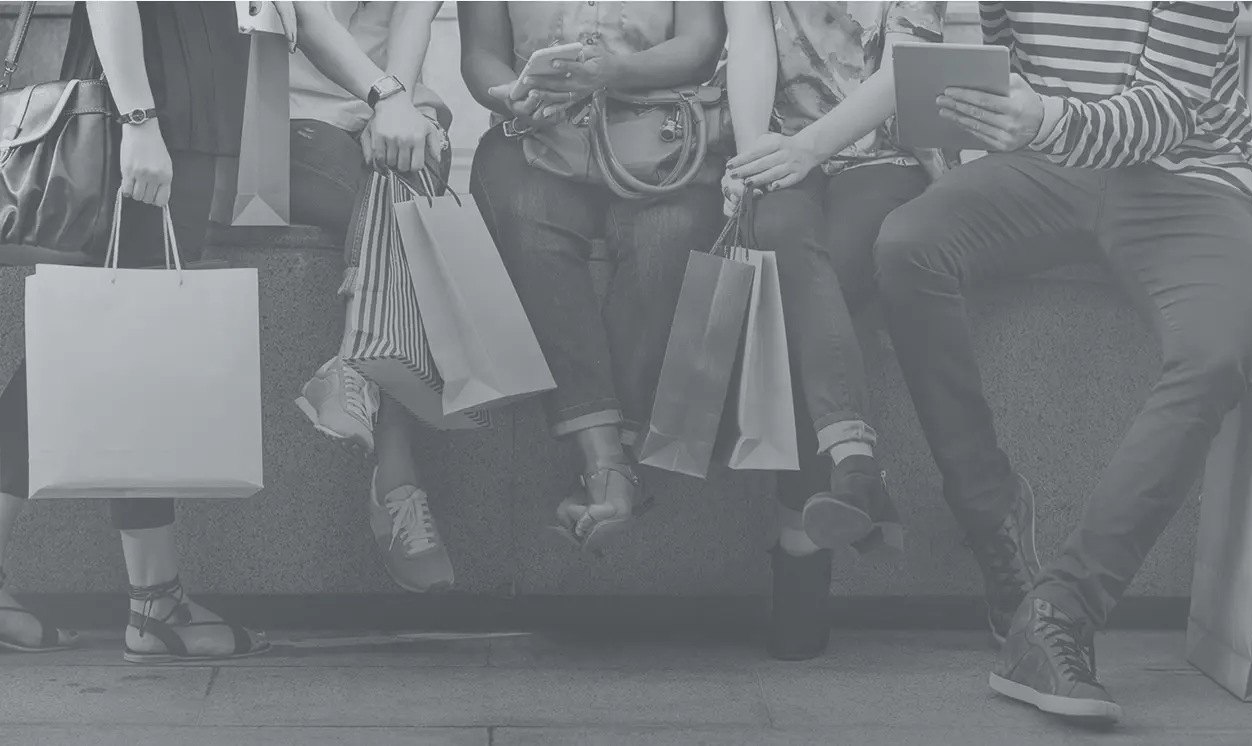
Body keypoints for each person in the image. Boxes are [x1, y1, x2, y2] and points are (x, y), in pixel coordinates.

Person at [873, 0, 1252, 723]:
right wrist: (979, 131)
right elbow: (1005, 60)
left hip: (1189, 179)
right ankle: (993, 517)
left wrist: (1044, 122)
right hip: (1050, 168)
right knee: (907, 246)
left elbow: (1170, 110)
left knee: (1213, 357)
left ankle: (1059, 612)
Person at [395, 0, 727, 554]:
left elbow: (701, 42)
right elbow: (481, 55)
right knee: (528, 229)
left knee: (667, 241)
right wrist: (511, 93)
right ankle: (605, 463)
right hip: (536, 136)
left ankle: (615, 447)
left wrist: (613, 71)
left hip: (662, 134)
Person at [0, 0, 261, 661]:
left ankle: (155, 598)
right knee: (95, 352)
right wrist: (141, 121)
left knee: (115, 354)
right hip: (147, 110)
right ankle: (154, 601)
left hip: (173, 110)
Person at [723, 2, 980, 662]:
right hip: (779, 149)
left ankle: (802, 545)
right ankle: (855, 466)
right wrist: (753, 157)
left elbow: (905, 66)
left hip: (885, 154)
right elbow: (749, 37)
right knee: (781, 235)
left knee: (818, 278)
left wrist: (810, 148)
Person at [288, 1, 459, 594]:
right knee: (402, 215)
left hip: (386, 106)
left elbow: (412, 16)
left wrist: (398, 107)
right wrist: (385, 98)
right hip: (278, 115)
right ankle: (397, 480)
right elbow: (308, 21)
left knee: (405, 176)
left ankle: (354, 371)